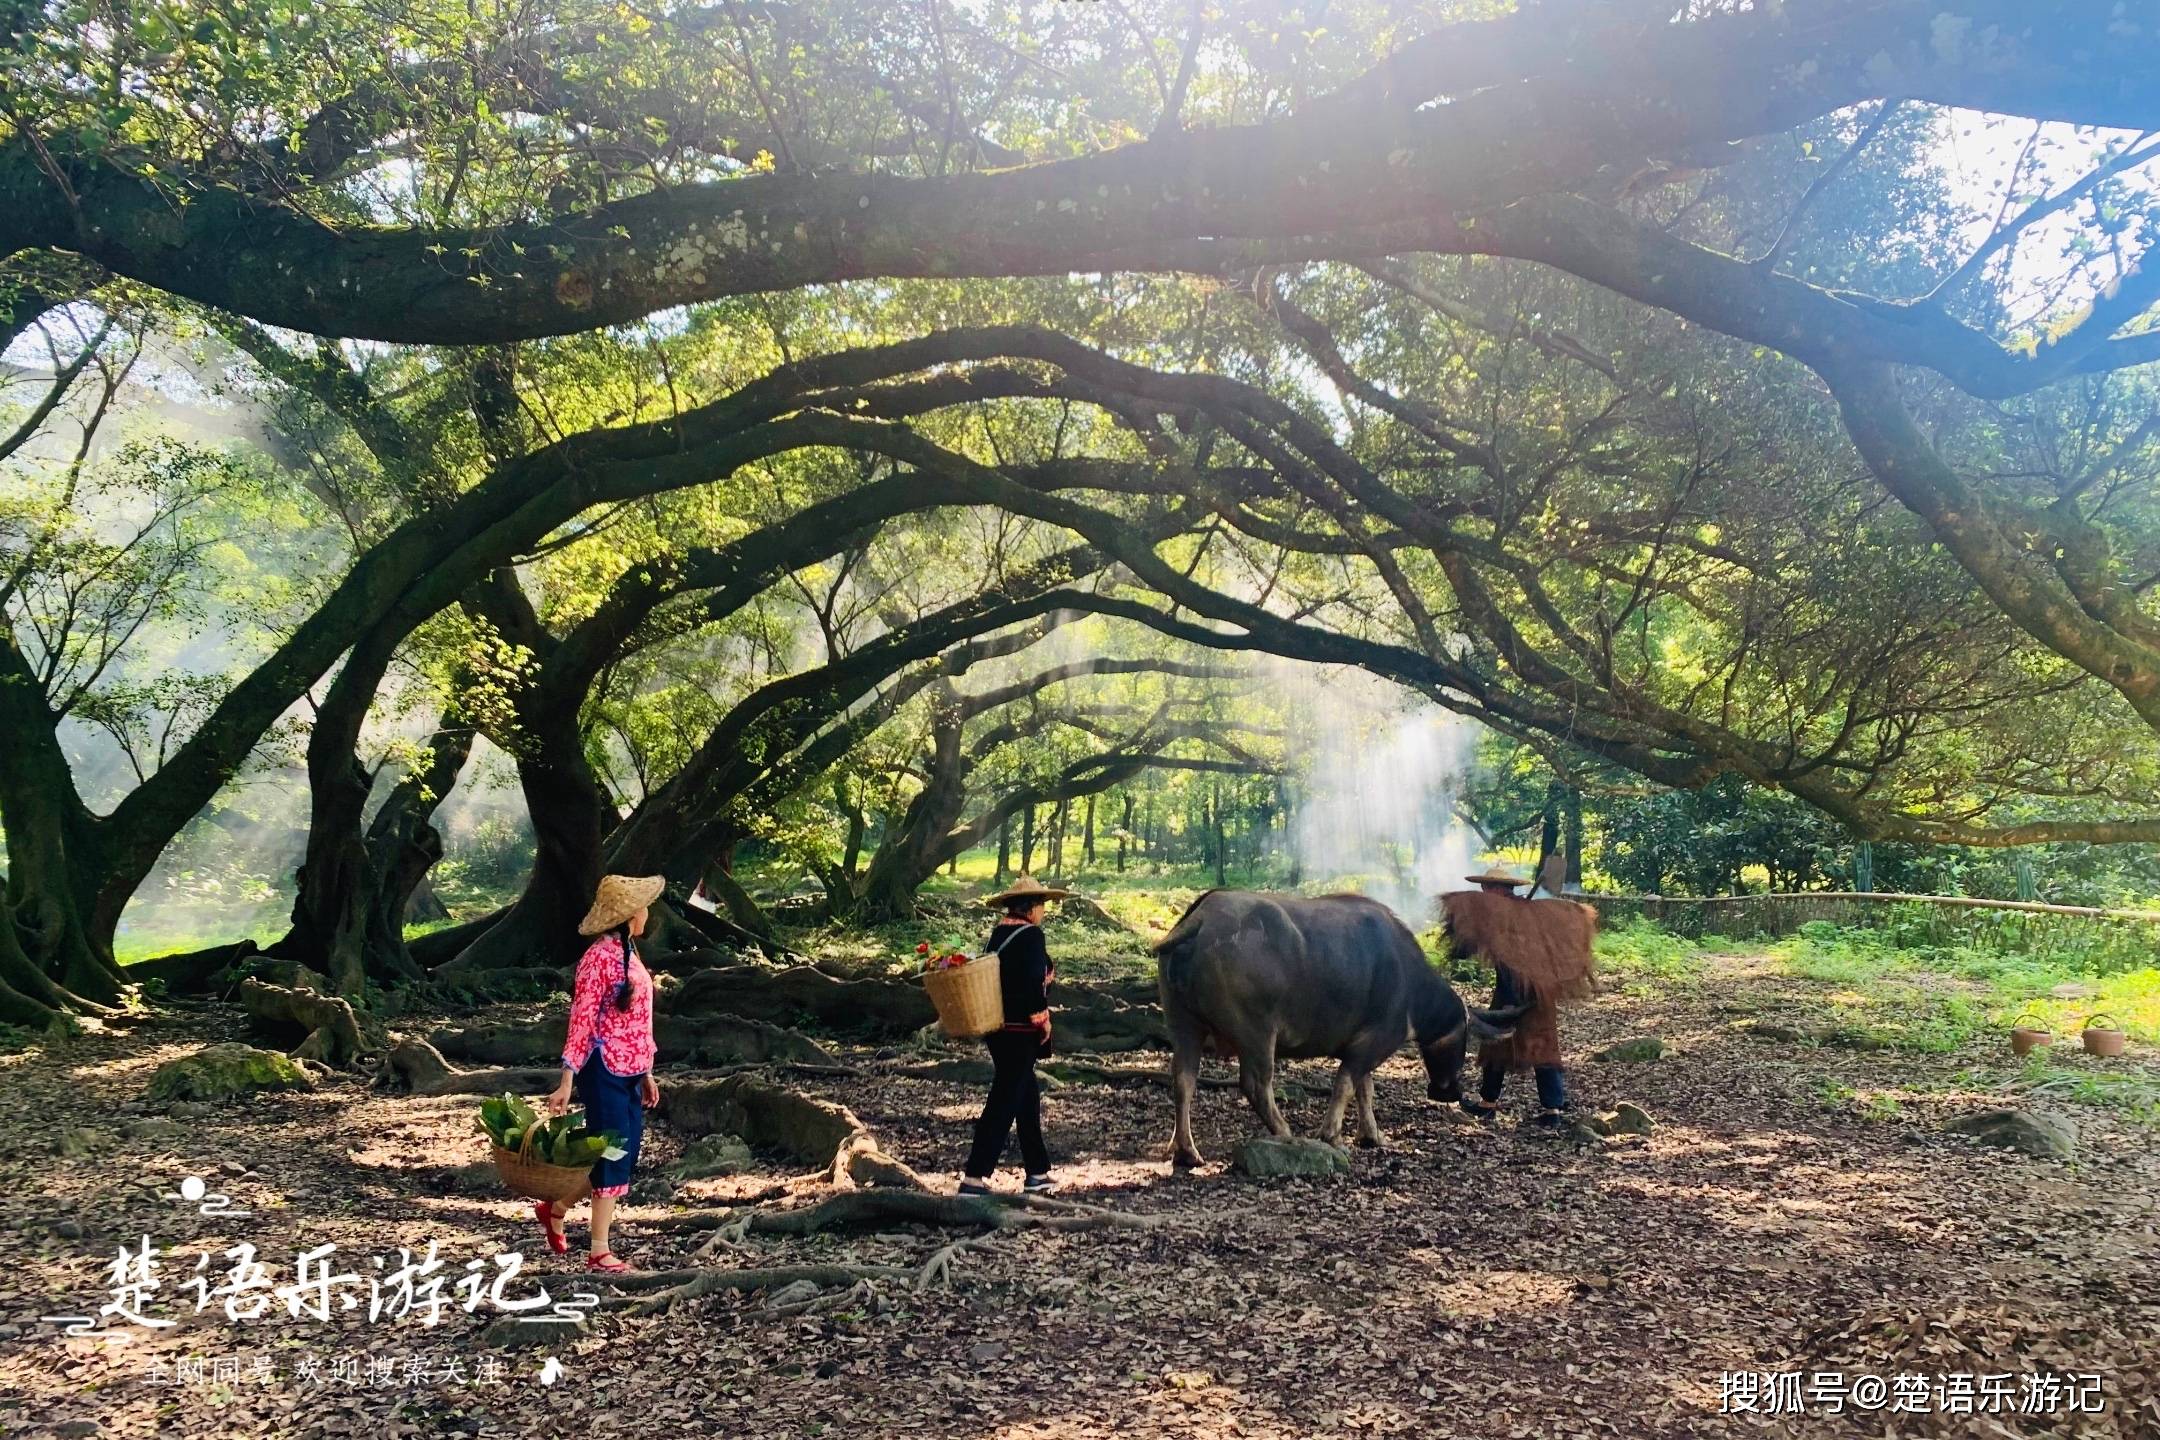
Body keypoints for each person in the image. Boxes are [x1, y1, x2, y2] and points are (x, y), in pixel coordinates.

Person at [539, 873, 664, 1272]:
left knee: (622, 1153)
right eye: (643, 906)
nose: (648, 912)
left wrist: (646, 1070)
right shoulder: (597, 959)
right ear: (629, 914)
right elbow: (581, 1021)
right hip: (603, 1069)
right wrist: (566, 1081)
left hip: (630, 1069)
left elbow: (639, 1020)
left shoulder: (630, 952)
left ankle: (555, 1208)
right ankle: (599, 1251)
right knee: (611, 1151)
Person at [1442, 867, 1596, 1128]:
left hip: (1537, 992)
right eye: (1483, 887)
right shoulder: (1497, 917)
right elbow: (1467, 946)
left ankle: (1552, 1110)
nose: (1484, 892)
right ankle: (1487, 1104)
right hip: (1507, 993)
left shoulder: (1530, 916)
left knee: (1543, 1048)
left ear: (1500, 889)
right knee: (1495, 1047)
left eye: (1488, 887)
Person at [960, 874, 1069, 1195]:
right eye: (1042, 905)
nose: (1044, 911)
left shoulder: (999, 933)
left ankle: (1037, 1172)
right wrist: (1042, 1023)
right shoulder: (1031, 935)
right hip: (1020, 1031)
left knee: (1026, 1097)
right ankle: (973, 1177)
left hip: (998, 1028)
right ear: (1031, 907)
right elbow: (1034, 983)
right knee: (1004, 1100)